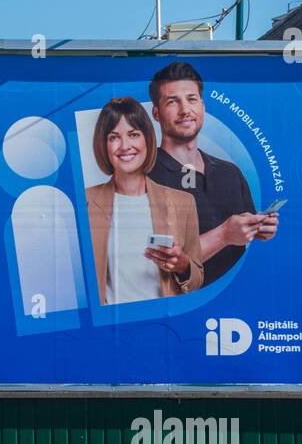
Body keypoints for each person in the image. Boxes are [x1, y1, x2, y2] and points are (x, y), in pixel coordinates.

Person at [146, 61, 278, 285]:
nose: (185, 109)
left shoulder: (230, 173)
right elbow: (154, 259)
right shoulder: (144, 177)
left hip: (233, 301)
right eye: (172, 101)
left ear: (203, 106)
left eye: (192, 99)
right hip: (178, 308)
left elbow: (243, 234)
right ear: (156, 113)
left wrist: (259, 228)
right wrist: (225, 234)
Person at [84, 97, 203, 305]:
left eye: (134, 135)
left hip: (163, 326)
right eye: (114, 137)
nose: (125, 146)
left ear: (147, 139)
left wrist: (182, 265)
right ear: (103, 145)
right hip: (109, 328)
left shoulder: (183, 202)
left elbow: (196, 282)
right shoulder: (83, 203)